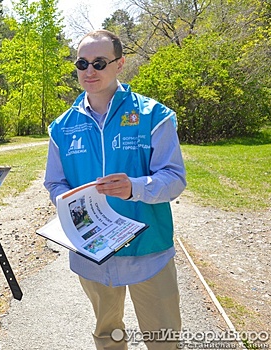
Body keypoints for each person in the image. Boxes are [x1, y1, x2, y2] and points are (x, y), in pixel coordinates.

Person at [44, 30, 187, 350]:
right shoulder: (62, 127)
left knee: (164, 338)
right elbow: (54, 183)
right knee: (108, 335)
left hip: (148, 249)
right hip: (92, 252)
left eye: (99, 62)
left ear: (120, 64)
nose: (90, 71)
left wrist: (135, 188)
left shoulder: (154, 115)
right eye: (82, 63)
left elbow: (175, 177)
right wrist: (68, 201)